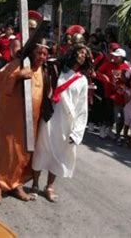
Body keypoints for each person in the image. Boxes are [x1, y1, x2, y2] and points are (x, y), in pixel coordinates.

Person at [0, 40, 47, 205]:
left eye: (44, 53)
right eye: (38, 53)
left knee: (24, 154)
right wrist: (17, 75)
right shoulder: (16, 64)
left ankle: (16, 184)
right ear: (31, 53)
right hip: (11, 118)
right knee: (7, 151)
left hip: (31, 121)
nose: (41, 56)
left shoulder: (45, 70)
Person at [31, 44, 92, 203]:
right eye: (79, 52)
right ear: (72, 53)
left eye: (85, 54)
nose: (82, 55)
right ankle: (35, 184)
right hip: (50, 116)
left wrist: (77, 132)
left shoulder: (83, 80)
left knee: (59, 154)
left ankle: (49, 186)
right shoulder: (57, 70)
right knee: (41, 149)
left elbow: (82, 108)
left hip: (67, 122)